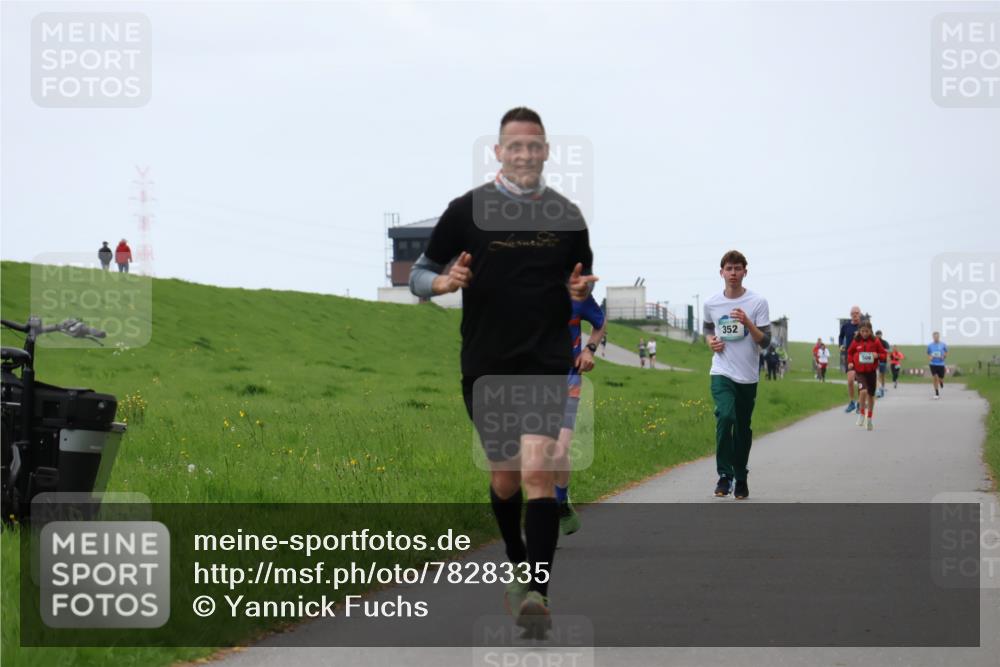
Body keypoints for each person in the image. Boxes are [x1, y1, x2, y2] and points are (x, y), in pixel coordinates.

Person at [408, 107, 595, 637]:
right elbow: (420, 273)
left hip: (543, 361)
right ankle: (516, 561)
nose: (525, 155)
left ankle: (537, 591)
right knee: (505, 477)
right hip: (486, 364)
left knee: (538, 470)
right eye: (515, 146)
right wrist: (443, 285)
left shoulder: (567, 216)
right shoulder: (466, 211)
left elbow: (579, 284)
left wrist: (579, 293)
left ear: (546, 152)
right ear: (498, 152)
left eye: (534, 146)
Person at [703, 250, 771, 500]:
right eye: (729, 269)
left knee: (742, 428)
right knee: (725, 416)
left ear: (745, 272)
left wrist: (747, 322)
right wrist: (711, 341)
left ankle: (741, 476)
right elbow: (708, 328)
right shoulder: (711, 303)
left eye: (737, 268)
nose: (733, 273)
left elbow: (765, 342)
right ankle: (724, 474)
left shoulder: (757, 302)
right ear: (721, 272)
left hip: (748, 376)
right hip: (722, 370)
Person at [554, 294, 605, 536]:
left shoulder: (577, 292)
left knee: (560, 448)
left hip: (568, 378)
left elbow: (600, 322)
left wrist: (589, 349)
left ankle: (561, 501)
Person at [847, 321, 887, 430]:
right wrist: (850, 362)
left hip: (871, 372)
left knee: (870, 395)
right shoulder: (856, 341)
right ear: (859, 331)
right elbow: (850, 352)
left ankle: (869, 419)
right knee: (863, 391)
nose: (864, 333)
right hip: (860, 372)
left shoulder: (876, 341)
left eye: (867, 331)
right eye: (862, 331)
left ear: (870, 331)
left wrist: (877, 355)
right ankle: (861, 414)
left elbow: (884, 355)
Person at [839, 306, 863, 413]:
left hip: (862, 356)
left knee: (860, 381)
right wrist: (840, 345)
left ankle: (859, 403)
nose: (855, 315)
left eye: (857, 313)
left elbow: (870, 338)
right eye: (853, 313)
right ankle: (852, 402)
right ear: (850, 315)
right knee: (850, 380)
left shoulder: (864, 326)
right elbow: (840, 336)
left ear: (860, 314)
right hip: (850, 355)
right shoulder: (846, 326)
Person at [927, 331, 948, 399]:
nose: (936, 338)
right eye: (934, 337)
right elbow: (928, 353)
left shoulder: (943, 344)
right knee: (935, 377)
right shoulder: (930, 345)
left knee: (940, 378)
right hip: (933, 364)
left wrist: (943, 356)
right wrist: (930, 357)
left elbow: (946, 352)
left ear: (939, 337)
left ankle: (941, 382)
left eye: (937, 337)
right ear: (933, 337)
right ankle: (936, 393)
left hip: (941, 364)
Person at [874, 330, 890, 397]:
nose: (878, 335)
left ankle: (882, 387)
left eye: (879, 334)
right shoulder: (874, 341)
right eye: (877, 334)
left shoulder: (884, 342)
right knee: (878, 375)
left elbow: (887, 351)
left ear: (881, 335)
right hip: (875, 361)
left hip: (883, 361)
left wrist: (887, 359)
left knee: (882, 375)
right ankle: (879, 388)